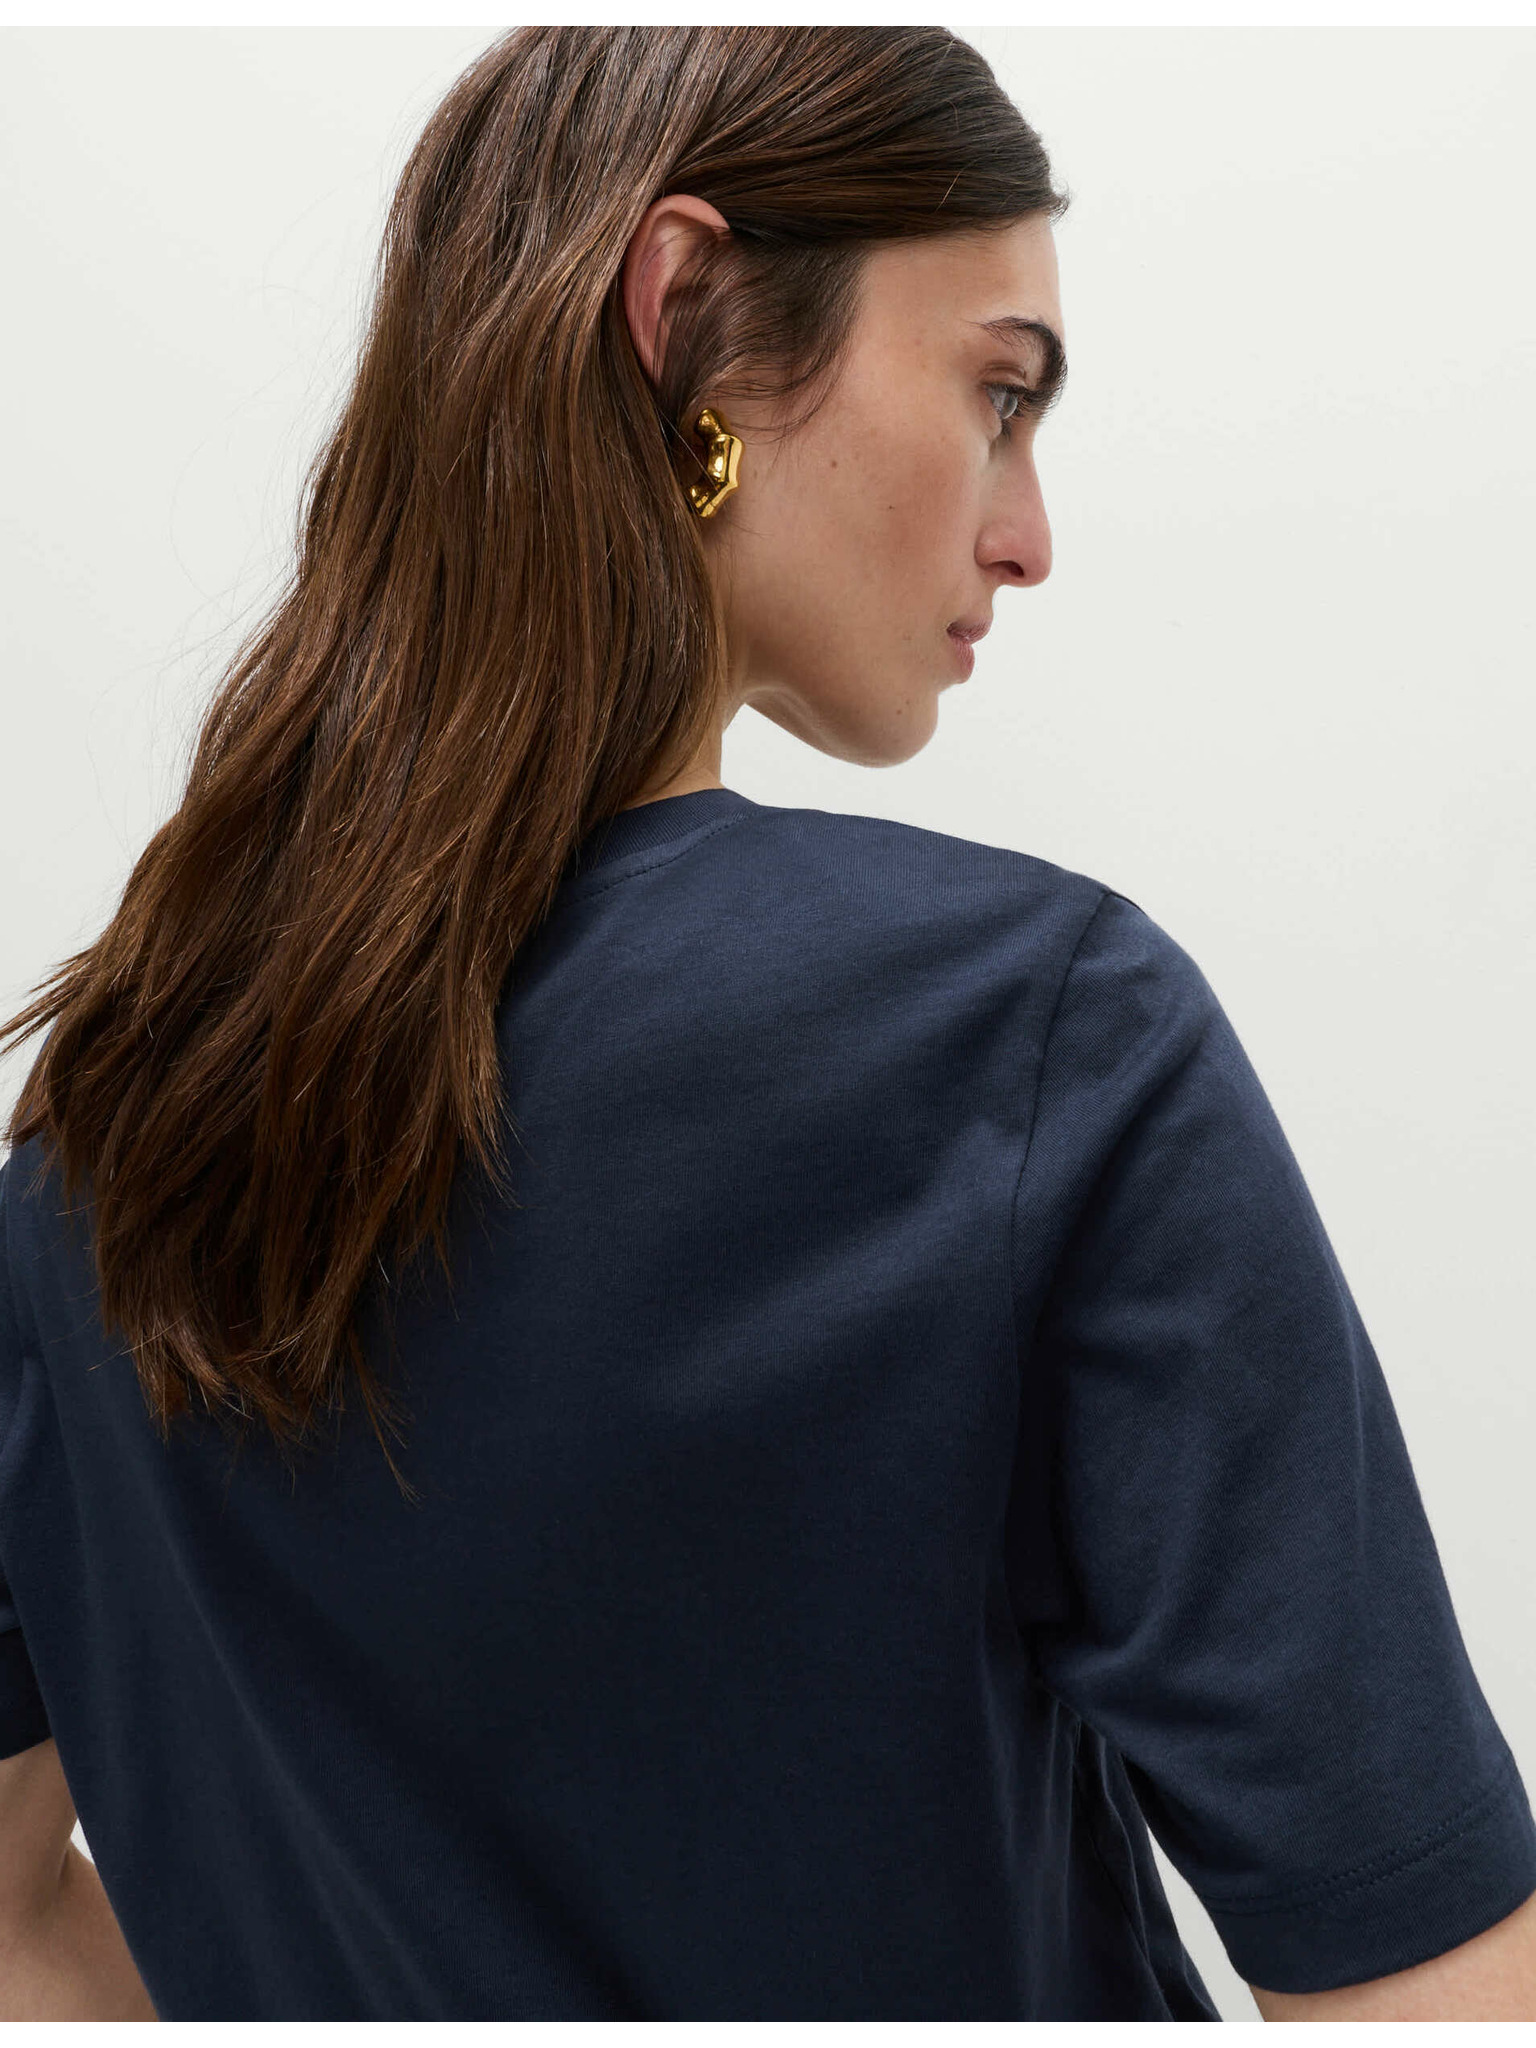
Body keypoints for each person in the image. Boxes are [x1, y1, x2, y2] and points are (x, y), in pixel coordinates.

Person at [0, 25, 1532, 2023]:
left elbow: (14, 1915)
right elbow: (1443, 1990)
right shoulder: (1038, 1045)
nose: (1029, 531)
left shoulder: (97, 1149)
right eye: (1000, 392)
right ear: (691, 320)